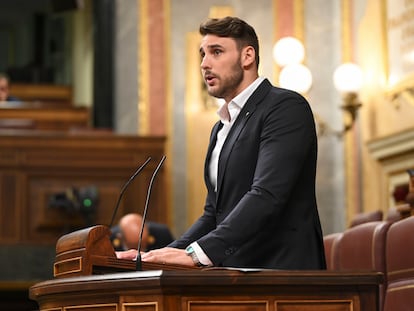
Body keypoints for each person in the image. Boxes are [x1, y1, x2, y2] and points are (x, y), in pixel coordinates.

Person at [117, 16, 326, 270]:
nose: (205, 64)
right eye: (202, 54)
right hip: (236, 274)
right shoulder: (220, 128)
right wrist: (161, 255)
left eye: (216, 52)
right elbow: (213, 214)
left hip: (282, 273)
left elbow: (267, 195)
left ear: (247, 56)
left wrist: (197, 254)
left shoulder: (284, 107)